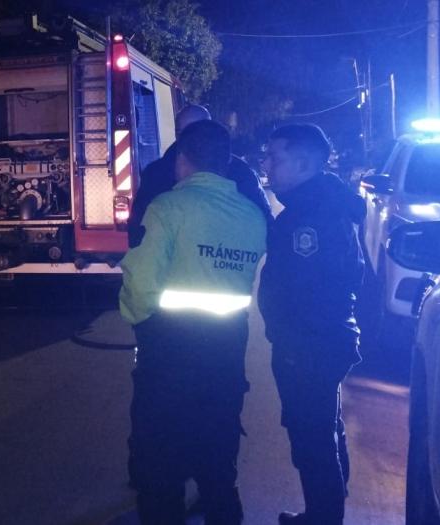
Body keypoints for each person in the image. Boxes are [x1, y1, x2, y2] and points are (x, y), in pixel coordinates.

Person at [120, 120, 267, 524]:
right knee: (218, 454)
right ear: (226, 163)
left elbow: (140, 281)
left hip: (169, 351)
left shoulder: (167, 208)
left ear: (182, 161)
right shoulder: (252, 215)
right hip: (227, 350)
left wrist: (139, 322)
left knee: (160, 461)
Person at [257, 124, 365, 525]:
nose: (266, 164)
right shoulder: (319, 205)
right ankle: (324, 510)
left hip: (309, 344)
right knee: (324, 428)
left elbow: (309, 288)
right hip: (317, 340)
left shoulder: (311, 218)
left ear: (303, 163)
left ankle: (323, 517)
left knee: (312, 438)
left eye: (275, 157)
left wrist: (290, 340)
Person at [128, 105, 272, 248]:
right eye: (183, 132)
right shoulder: (157, 173)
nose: (190, 138)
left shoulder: (240, 171)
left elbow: (263, 221)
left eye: (197, 131)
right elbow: (139, 224)